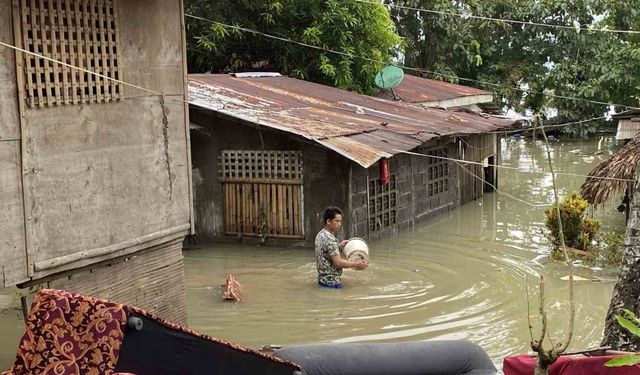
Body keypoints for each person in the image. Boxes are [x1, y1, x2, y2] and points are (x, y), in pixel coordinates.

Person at [315, 206, 368, 288]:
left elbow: (326, 252)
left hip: (322, 280)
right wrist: (356, 264)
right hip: (332, 282)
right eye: (336, 221)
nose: (339, 224)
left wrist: (339, 246)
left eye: (340, 221)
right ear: (328, 221)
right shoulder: (330, 240)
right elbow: (338, 263)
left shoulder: (320, 234)